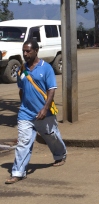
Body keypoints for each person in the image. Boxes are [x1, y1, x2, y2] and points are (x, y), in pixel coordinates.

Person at [5, 39, 67, 184]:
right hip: (25, 114)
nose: (25, 54)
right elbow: (21, 90)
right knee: (23, 142)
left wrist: (45, 108)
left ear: (36, 51)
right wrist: (23, 106)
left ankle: (60, 155)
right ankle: (18, 172)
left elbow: (51, 90)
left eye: (28, 51)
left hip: (44, 113)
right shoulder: (22, 69)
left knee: (51, 136)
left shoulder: (46, 68)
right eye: (23, 51)